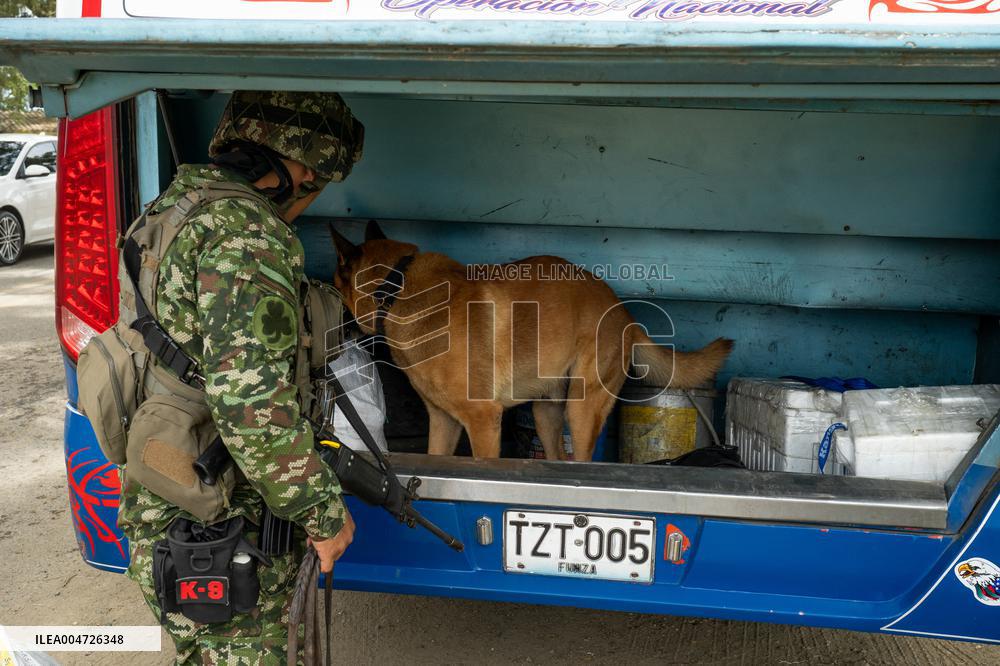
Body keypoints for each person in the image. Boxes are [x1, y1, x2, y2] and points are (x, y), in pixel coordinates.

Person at [117, 90, 365, 664]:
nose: (313, 191)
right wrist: (321, 512)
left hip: (172, 483)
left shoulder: (178, 205)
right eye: (317, 176)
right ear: (296, 164)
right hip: (217, 515)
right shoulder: (244, 237)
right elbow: (253, 406)